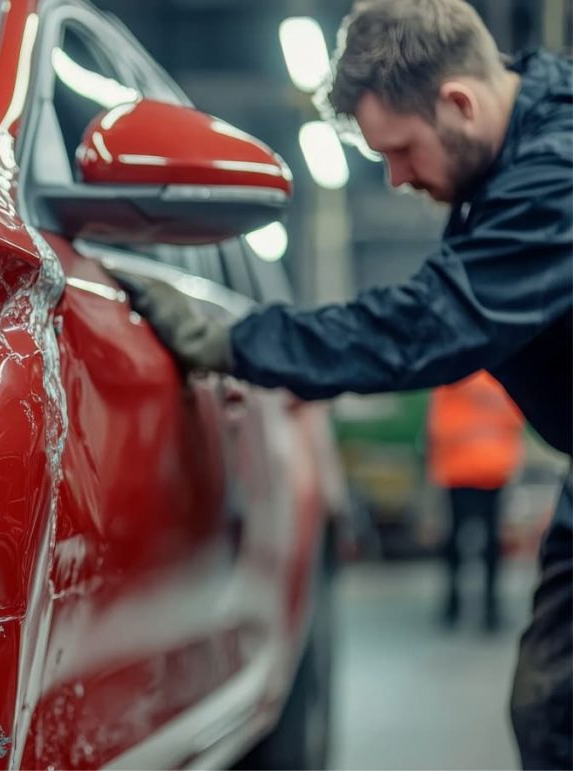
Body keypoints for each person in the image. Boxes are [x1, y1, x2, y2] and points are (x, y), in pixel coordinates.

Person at [111, 0, 572, 767]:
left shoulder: (556, 173)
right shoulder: (517, 147)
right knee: (551, 710)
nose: (395, 177)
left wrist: (236, 341)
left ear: (460, 102)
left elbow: (427, 324)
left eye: (401, 149)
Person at [426, 370, 525, 631]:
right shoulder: (500, 374)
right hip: (489, 468)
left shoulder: (454, 369)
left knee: (458, 539)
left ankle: (455, 606)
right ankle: (487, 608)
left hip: (463, 469)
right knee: (489, 541)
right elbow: (516, 417)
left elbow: (437, 423)